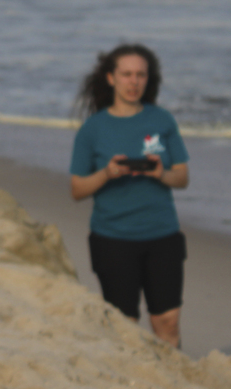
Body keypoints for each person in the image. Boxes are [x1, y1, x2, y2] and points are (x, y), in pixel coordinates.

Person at [69, 44, 191, 348]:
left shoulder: (162, 120)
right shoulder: (92, 129)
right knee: (127, 327)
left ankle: (174, 386)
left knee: (168, 321)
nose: (133, 82)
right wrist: (107, 173)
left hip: (162, 234)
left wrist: (159, 174)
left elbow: (183, 177)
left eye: (140, 75)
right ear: (111, 78)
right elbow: (77, 189)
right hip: (112, 238)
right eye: (126, 74)